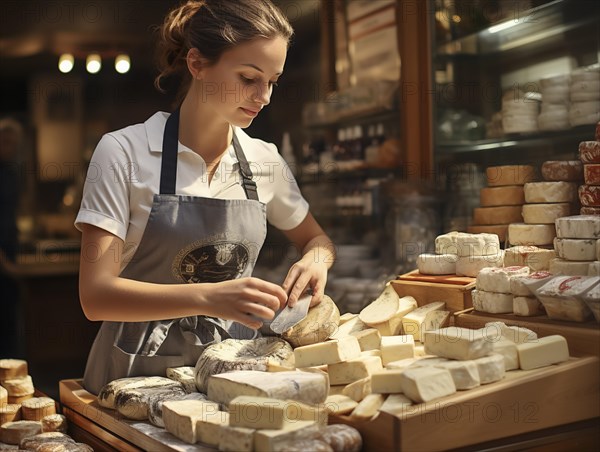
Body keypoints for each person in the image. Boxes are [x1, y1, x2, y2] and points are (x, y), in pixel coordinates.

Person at [75, 0, 335, 395]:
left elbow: (316, 240)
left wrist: (316, 260)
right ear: (197, 64)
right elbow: (96, 296)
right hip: (131, 377)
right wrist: (210, 297)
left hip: (231, 370)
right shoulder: (123, 152)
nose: (263, 96)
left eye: (273, 81)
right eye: (249, 77)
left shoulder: (264, 160)